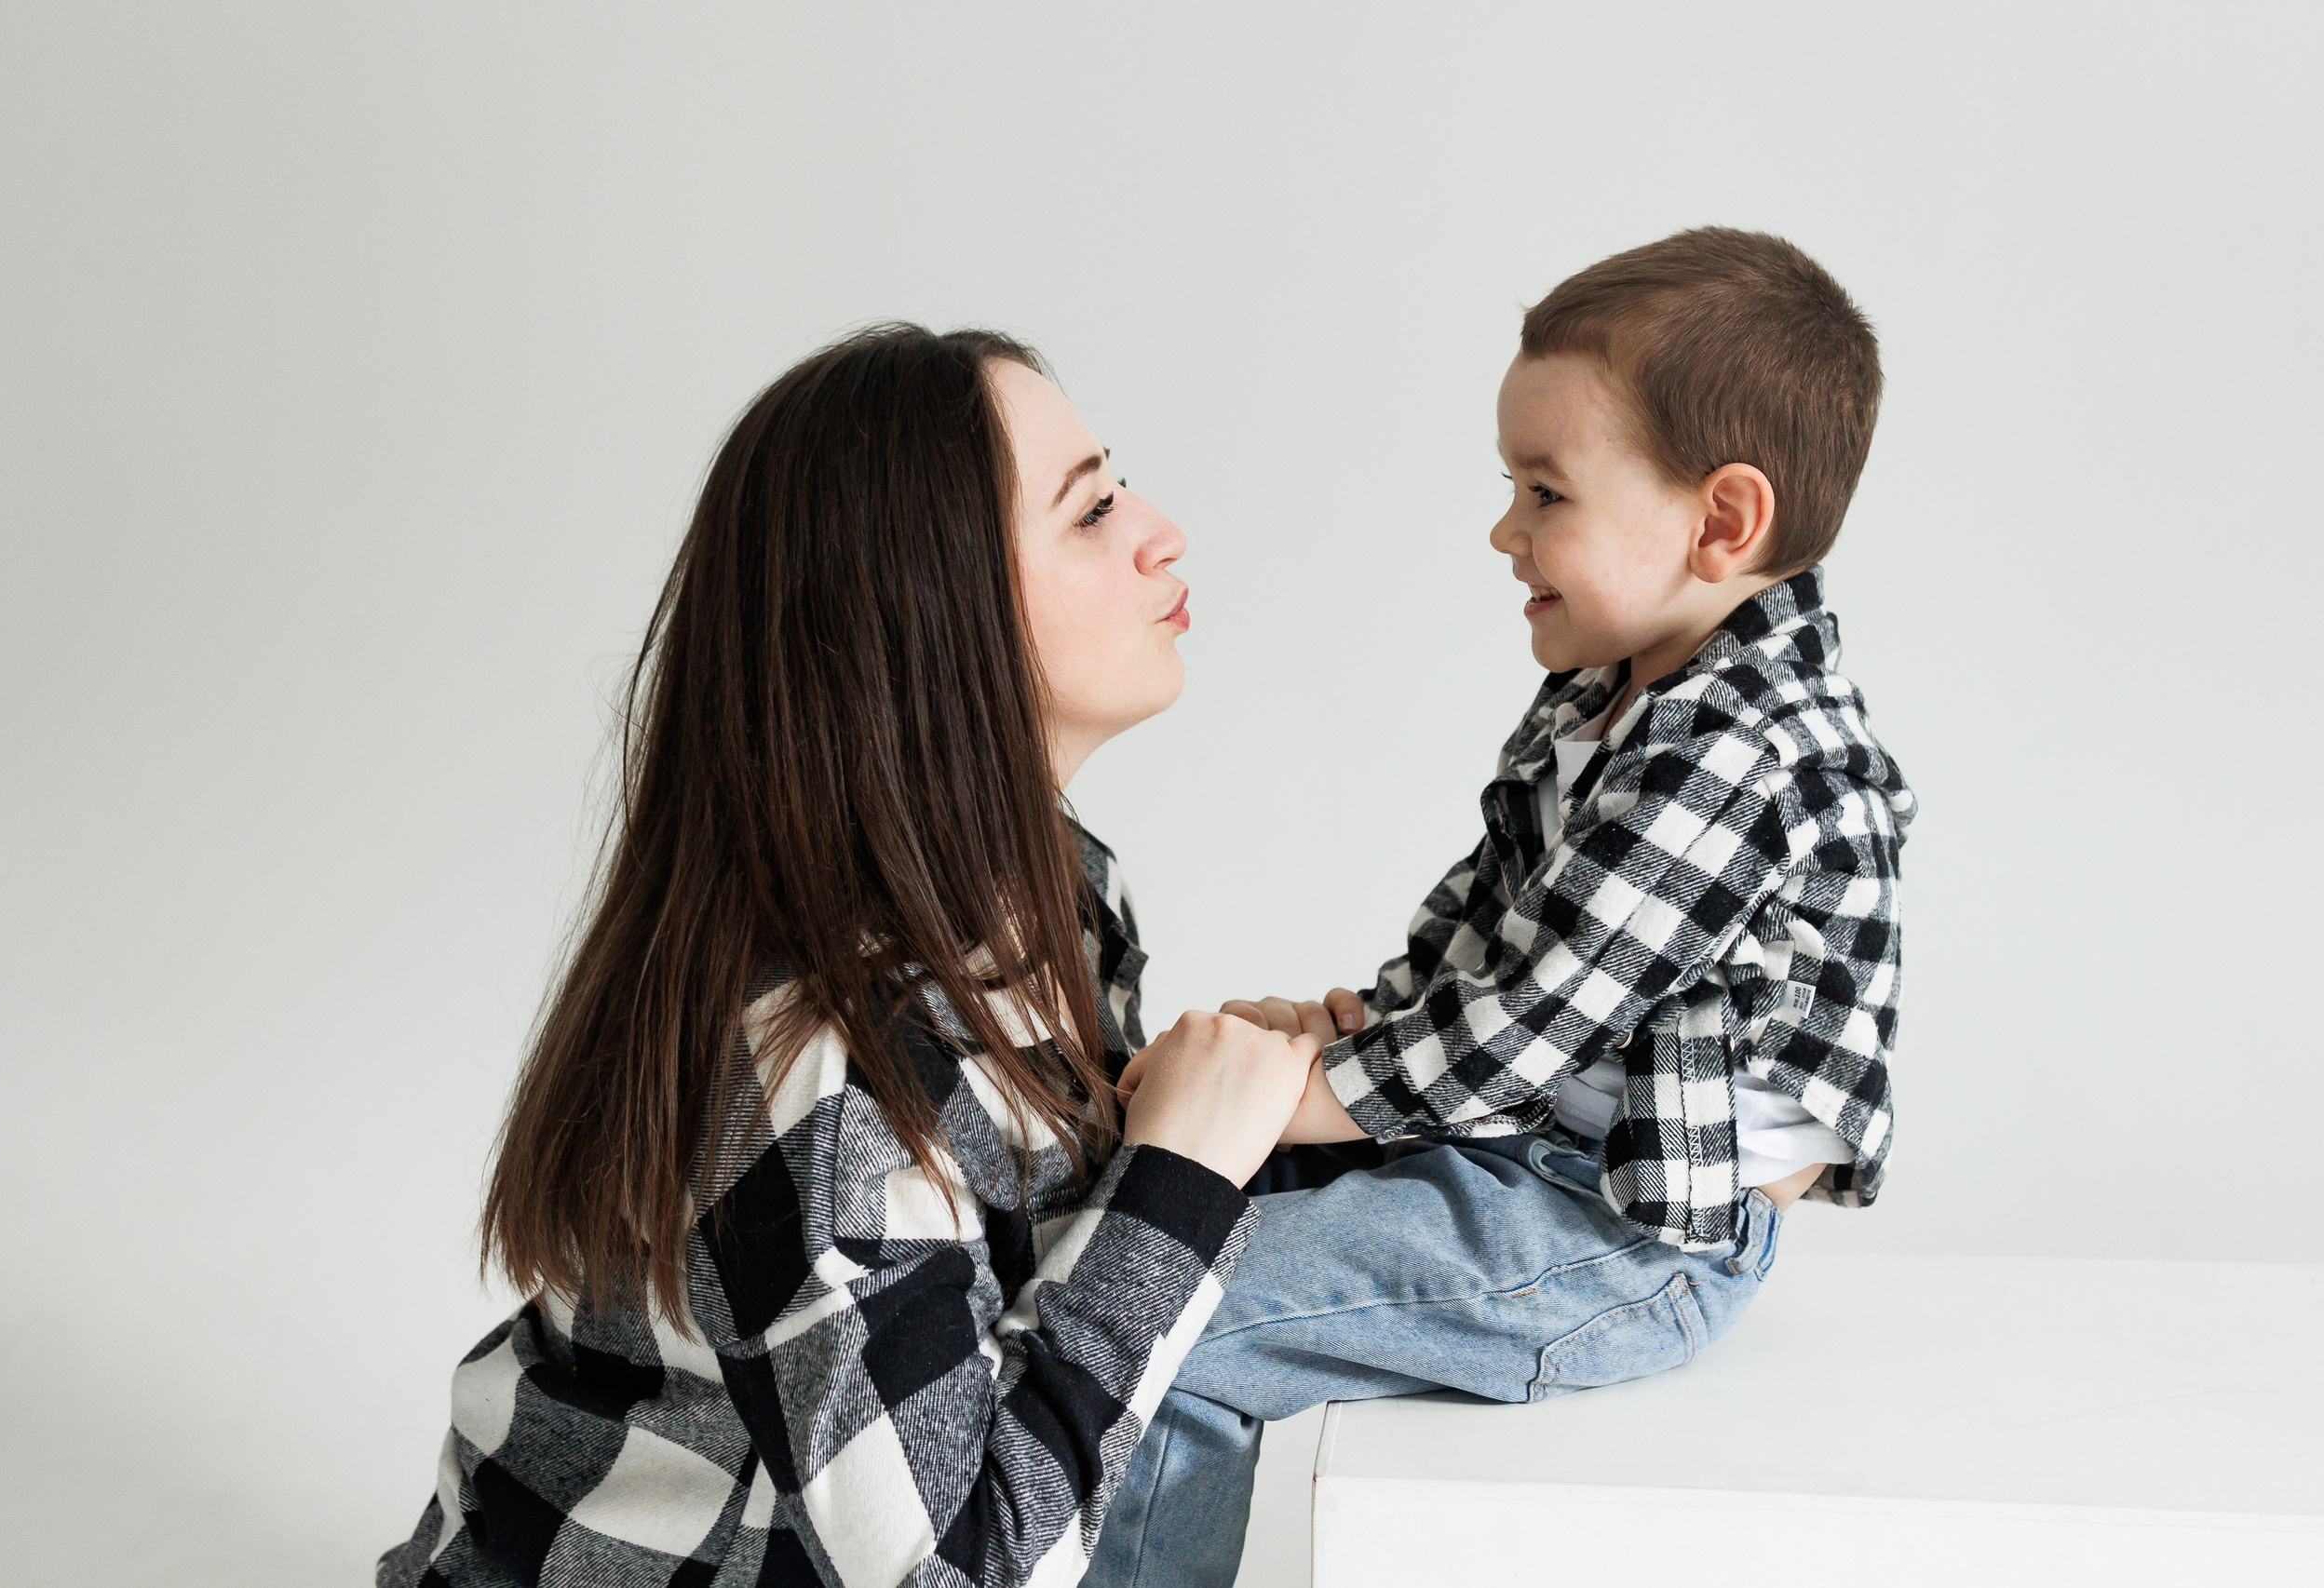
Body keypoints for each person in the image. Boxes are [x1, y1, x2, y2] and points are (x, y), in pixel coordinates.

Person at [377, 324, 1321, 1587]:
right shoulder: (826, 1065)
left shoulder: (1050, 890)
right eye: (1090, 511)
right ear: (932, 611)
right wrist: (1176, 1181)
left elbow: (1012, 1291)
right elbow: (954, 1573)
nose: (1162, 531)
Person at [1089, 228, 1919, 1586]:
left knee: (1174, 1310)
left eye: (1546, 492)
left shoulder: (1742, 744)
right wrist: (1349, 1030)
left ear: (1722, 521)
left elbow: (1533, 1018)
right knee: (1133, 1212)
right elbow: (1490, 925)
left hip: (1630, 1231)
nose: (1504, 529)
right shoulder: (1607, 690)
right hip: (1531, 1150)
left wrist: (1289, 1100)